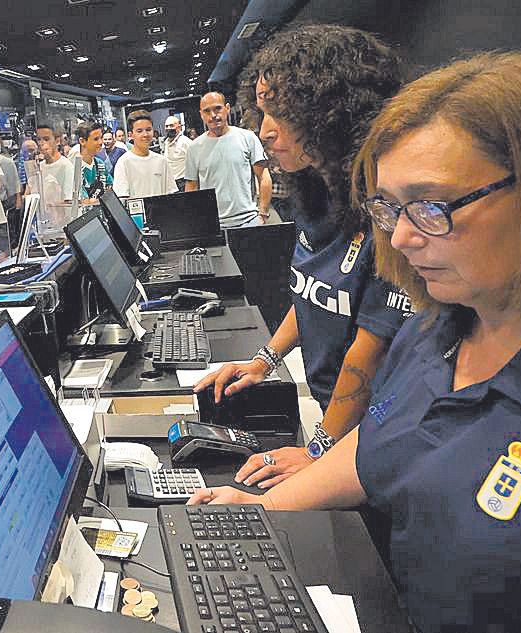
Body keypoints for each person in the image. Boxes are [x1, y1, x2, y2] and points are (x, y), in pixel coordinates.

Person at [191, 50, 521, 633]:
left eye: (432, 206)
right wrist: (262, 508)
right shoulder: (436, 330)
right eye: (389, 207)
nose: (404, 237)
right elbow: (387, 438)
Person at [195, 25, 410, 488]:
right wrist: (263, 361)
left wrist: (319, 449)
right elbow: (312, 295)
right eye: (263, 111)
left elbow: (369, 352)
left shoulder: (389, 212)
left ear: (330, 110)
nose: (266, 132)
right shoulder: (318, 193)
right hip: (337, 421)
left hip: (375, 441)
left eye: (282, 112)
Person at [185, 91, 273, 228]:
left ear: (227, 108)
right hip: (212, 224)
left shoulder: (247, 138)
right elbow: (191, 187)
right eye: (207, 111)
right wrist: (196, 221)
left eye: (217, 108)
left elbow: (264, 177)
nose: (213, 115)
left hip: (249, 221)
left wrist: (263, 214)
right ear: (201, 115)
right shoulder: (194, 148)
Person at [112, 110, 178, 199]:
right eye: (139, 131)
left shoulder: (161, 161)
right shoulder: (123, 162)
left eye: (148, 130)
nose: (145, 134)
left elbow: (171, 193)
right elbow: (122, 198)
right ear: (131, 135)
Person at [75, 121, 111, 206]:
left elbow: (110, 190)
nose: (100, 142)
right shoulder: (75, 168)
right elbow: (85, 203)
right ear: (82, 141)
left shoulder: (100, 163)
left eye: (100, 137)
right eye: (96, 139)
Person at [163, 115, 193, 191]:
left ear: (179, 127)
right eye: (167, 126)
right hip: (170, 182)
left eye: (171, 125)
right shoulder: (166, 142)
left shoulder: (186, 142)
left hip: (183, 182)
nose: (169, 128)